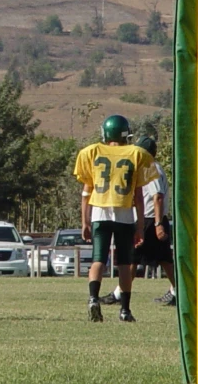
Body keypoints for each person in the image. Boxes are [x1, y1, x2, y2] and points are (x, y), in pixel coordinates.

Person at [74, 115, 158, 323]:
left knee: (98, 260)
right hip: (124, 214)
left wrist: (84, 221)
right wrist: (140, 226)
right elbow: (138, 196)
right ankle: (125, 310)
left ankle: (93, 299)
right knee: (124, 263)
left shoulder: (91, 152)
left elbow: (86, 192)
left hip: (100, 213)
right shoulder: (137, 154)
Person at [100, 136, 176, 307]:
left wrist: (157, 224)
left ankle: (120, 293)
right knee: (164, 259)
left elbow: (157, 197)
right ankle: (178, 291)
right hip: (153, 219)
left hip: (150, 220)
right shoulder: (154, 167)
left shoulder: (149, 167)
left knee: (132, 258)